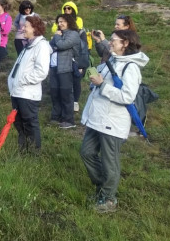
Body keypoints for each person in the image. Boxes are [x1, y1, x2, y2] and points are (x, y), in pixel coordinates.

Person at [81, 30, 148, 213]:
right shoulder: (113, 60)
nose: (110, 42)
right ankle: (104, 187)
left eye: (113, 40)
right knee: (86, 152)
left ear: (125, 43)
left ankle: (108, 199)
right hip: (97, 117)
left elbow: (127, 96)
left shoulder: (131, 68)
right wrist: (94, 80)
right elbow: (101, 81)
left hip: (113, 121)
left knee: (110, 161)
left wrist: (102, 85)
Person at [7, 15, 52, 154]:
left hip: (27, 94)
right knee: (19, 123)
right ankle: (23, 151)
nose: (22, 28)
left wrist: (22, 80)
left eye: (26, 26)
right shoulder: (29, 45)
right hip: (18, 92)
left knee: (30, 124)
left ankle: (33, 154)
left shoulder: (41, 46)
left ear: (35, 28)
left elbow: (41, 72)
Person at [49, 12, 80, 129]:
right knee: (54, 92)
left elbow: (62, 45)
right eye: (59, 22)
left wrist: (56, 38)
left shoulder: (73, 34)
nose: (60, 24)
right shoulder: (59, 34)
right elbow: (51, 46)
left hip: (65, 67)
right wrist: (57, 42)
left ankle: (69, 120)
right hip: (54, 66)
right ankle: (56, 117)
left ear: (69, 22)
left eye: (62, 21)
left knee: (66, 94)